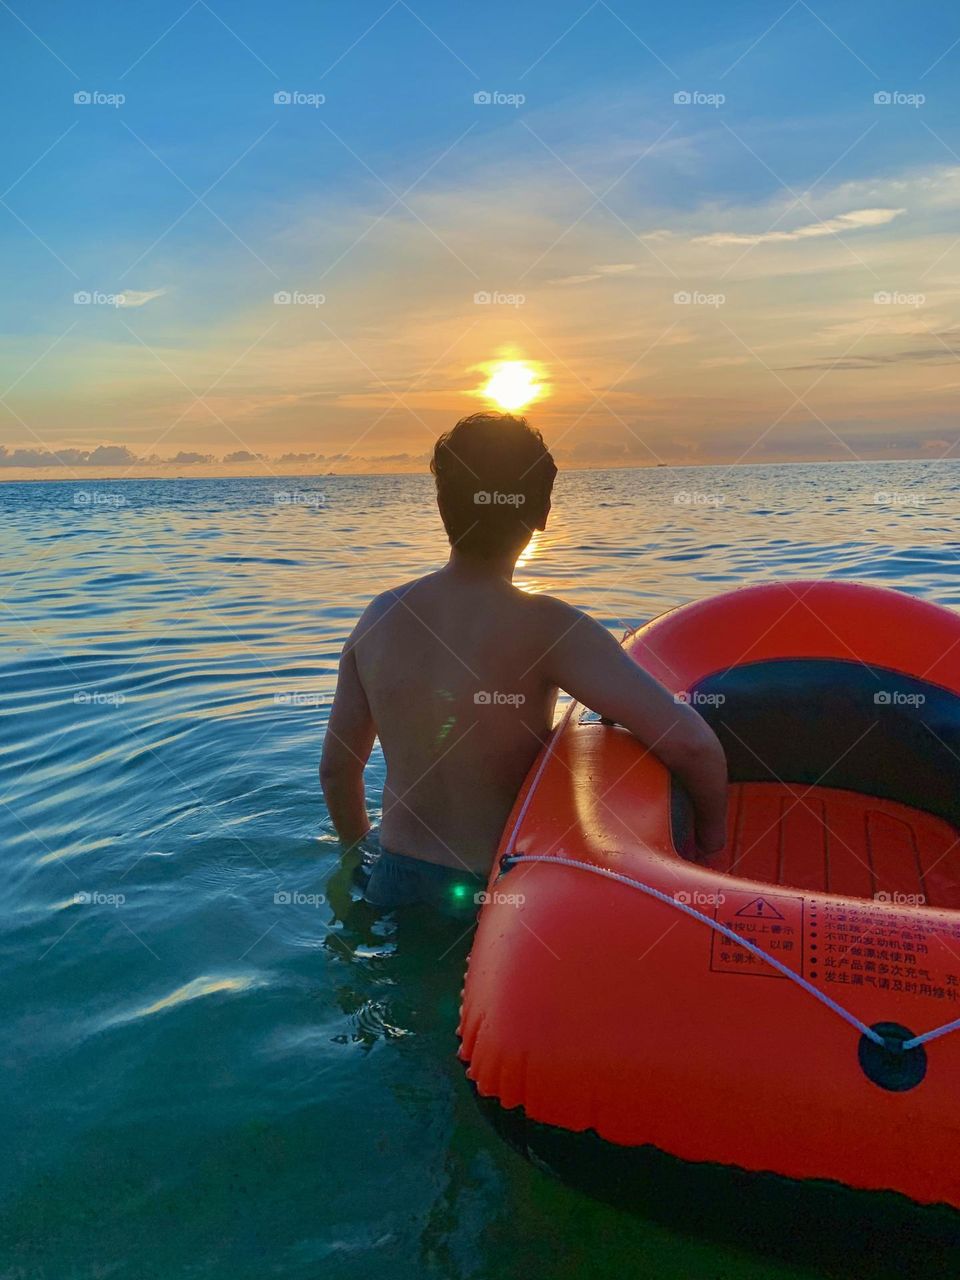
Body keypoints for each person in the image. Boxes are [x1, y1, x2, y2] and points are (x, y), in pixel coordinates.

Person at [320, 411, 728, 916]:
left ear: (442, 508)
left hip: (394, 880)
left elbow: (338, 771)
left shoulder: (380, 616)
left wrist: (359, 855)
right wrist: (711, 851)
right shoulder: (550, 628)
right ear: (543, 512)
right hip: (496, 896)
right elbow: (693, 746)